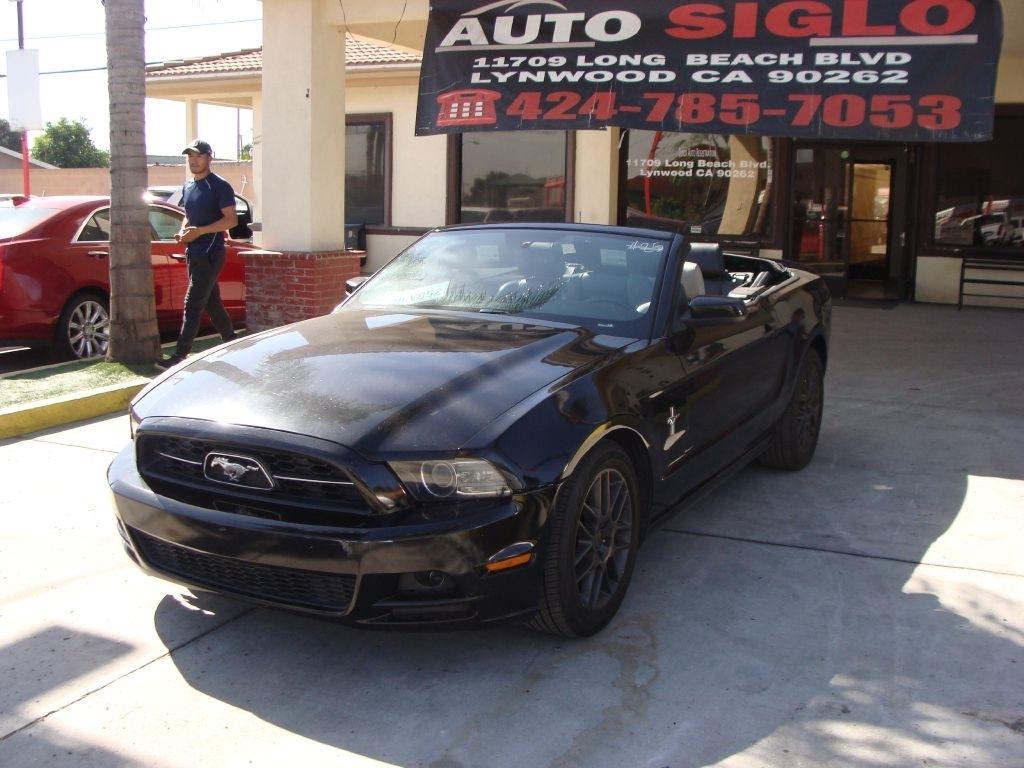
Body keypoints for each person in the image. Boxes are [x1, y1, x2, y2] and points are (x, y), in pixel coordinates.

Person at [156, 139, 239, 369]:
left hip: (211, 253)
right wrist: (183, 232)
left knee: (192, 303)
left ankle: (179, 355)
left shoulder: (219, 186)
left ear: (209, 157)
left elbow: (231, 220)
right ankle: (231, 340)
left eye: (198, 156)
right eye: (190, 156)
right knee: (212, 303)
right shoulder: (188, 186)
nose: (193, 160)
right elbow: (188, 215)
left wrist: (200, 231)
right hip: (193, 252)